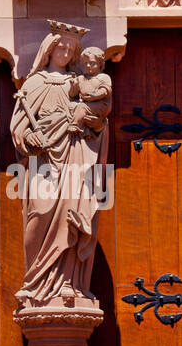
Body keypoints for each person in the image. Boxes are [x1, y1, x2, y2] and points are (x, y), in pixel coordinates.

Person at [9, 25, 108, 307]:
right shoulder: (34, 83)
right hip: (43, 160)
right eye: (61, 47)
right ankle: (34, 281)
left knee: (71, 215)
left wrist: (86, 117)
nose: (65, 53)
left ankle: (69, 283)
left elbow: (99, 120)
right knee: (39, 213)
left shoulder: (78, 83)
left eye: (70, 50)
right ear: (49, 49)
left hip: (74, 157)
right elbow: (18, 126)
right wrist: (30, 136)